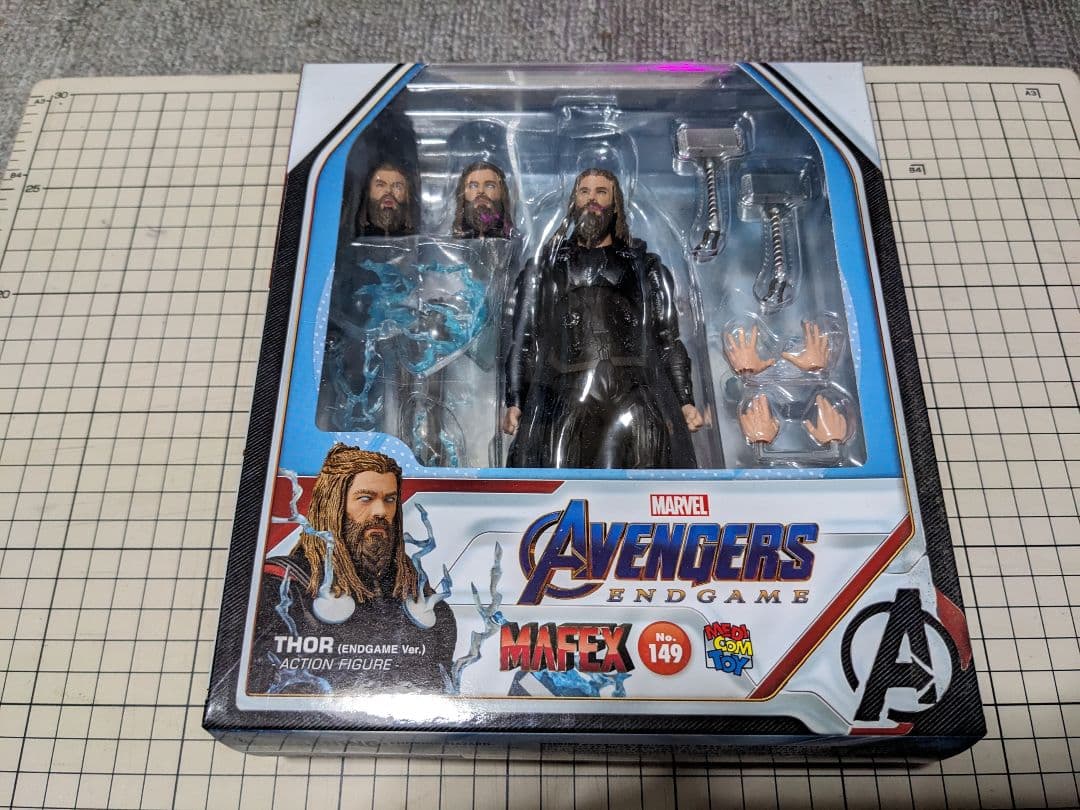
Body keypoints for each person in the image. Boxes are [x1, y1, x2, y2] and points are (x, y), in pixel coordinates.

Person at [502, 168, 704, 469]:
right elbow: (524, 339)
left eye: (601, 192)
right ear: (574, 201)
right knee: (559, 473)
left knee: (648, 469)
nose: (591, 200)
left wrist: (684, 399)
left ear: (615, 203)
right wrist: (516, 400)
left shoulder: (643, 266)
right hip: (565, 391)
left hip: (635, 390)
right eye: (584, 192)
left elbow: (667, 339)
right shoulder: (544, 268)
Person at [248, 444, 457, 694]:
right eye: (365, 498)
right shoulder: (282, 590)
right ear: (333, 505)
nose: (381, 512)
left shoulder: (422, 599)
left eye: (390, 500)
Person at [452, 160, 515, 239]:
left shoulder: (515, 240)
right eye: (473, 186)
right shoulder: (454, 240)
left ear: (501, 192)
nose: (481, 191)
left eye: (490, 186)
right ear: (463, 193)